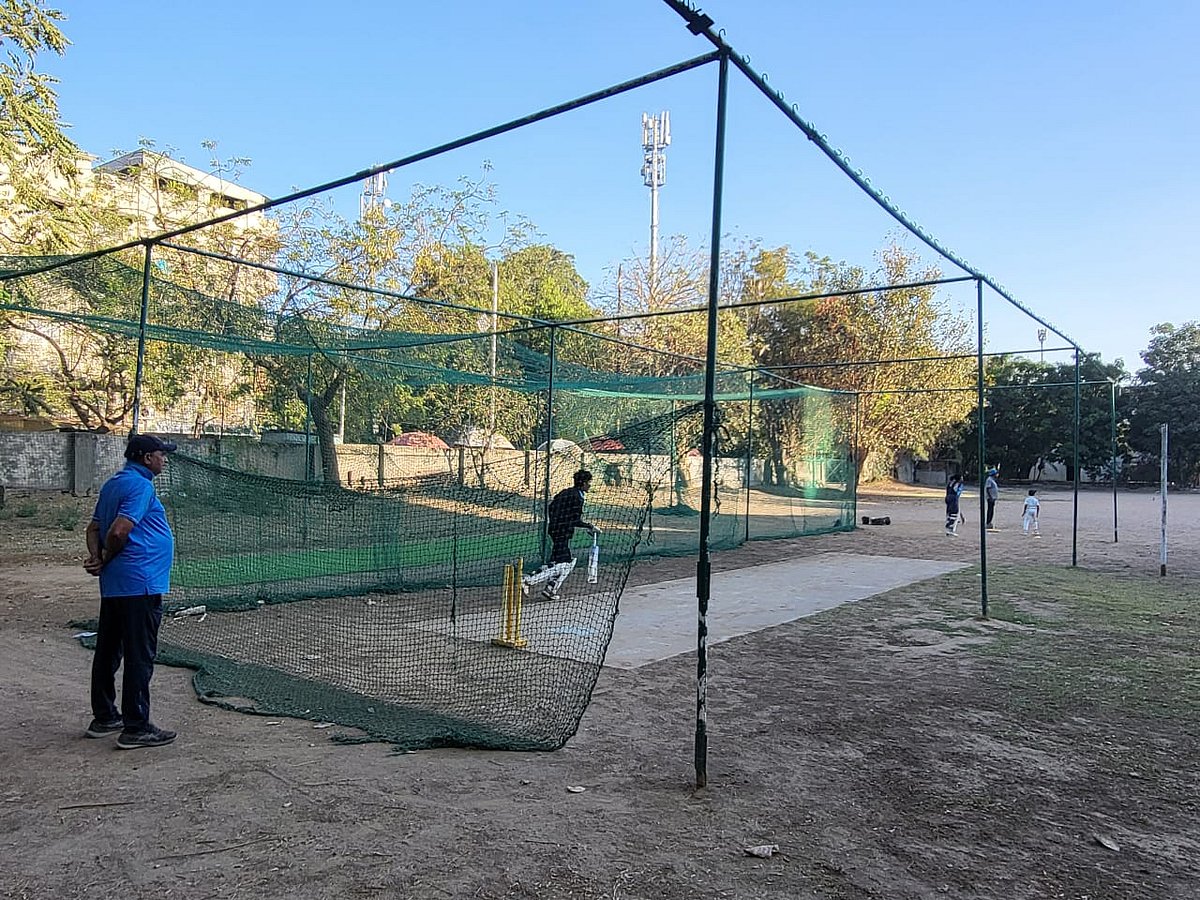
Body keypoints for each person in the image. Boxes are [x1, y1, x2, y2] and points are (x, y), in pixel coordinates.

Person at [83, 434, 179, 750]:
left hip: (117, 584)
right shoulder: (141, 486)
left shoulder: (114, 483)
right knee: (139, 654)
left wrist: (97, 557)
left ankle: (105, 716)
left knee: (109, 649)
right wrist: (106, 556)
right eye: (161, 454)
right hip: (140, 582)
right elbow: (118, 530)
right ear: (146, 458)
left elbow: (93, 528)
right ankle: (136, 726)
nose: (164, 459)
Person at [522, 469, 599, 601]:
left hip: (555, 530)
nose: (589, 485)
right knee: (566, 563)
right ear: (583, 483)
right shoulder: (577, 497)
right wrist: (589, 526)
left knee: (556, 561)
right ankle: (528, 579)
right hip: (562, 532)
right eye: (588, 482)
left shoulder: (566, 492)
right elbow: (574, 520)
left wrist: (556, 521)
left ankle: (550, 589)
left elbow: (552, 507)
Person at [985, 468, 1000, 532]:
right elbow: (988, 489)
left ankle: (990, 522)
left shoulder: (992, 480)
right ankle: (988, 522)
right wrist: (990, 497)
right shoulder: (989, 480)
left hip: (993, 498)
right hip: (990, 498)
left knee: (991, 510)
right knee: (990, 510)